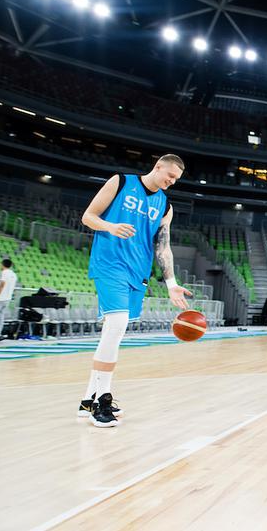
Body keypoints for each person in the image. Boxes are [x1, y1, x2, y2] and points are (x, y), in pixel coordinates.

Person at [78, 154, 192, 427]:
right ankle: (102, 402)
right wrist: (110, 226)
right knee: (116, 324)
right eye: (170, 176)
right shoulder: (120, 182)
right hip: (109, 264)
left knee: (113, 334)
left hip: (137, 272)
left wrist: (172, 283)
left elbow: (162, 247)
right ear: (158, 166)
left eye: (175, 180)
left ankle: (86, 400)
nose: (171, 182)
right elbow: (88, 216)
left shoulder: (165, 206)